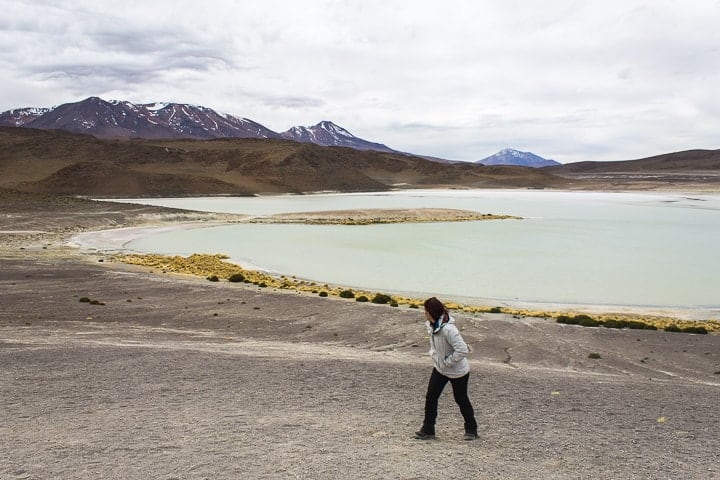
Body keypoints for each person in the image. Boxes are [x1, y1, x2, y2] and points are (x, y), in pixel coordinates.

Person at [415, 296, 478, 440]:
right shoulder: (430, 325)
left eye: (426, 311)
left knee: (461, 399)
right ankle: (428, 429)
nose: (425, 314)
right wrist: (434, 355)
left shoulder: (449, 329)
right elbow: (434, 345)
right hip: (439, 368)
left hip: (458, 371)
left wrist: (448, 362)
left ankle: (471, 429)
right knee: (431, 396)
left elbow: (462, 350)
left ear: (432, 312)